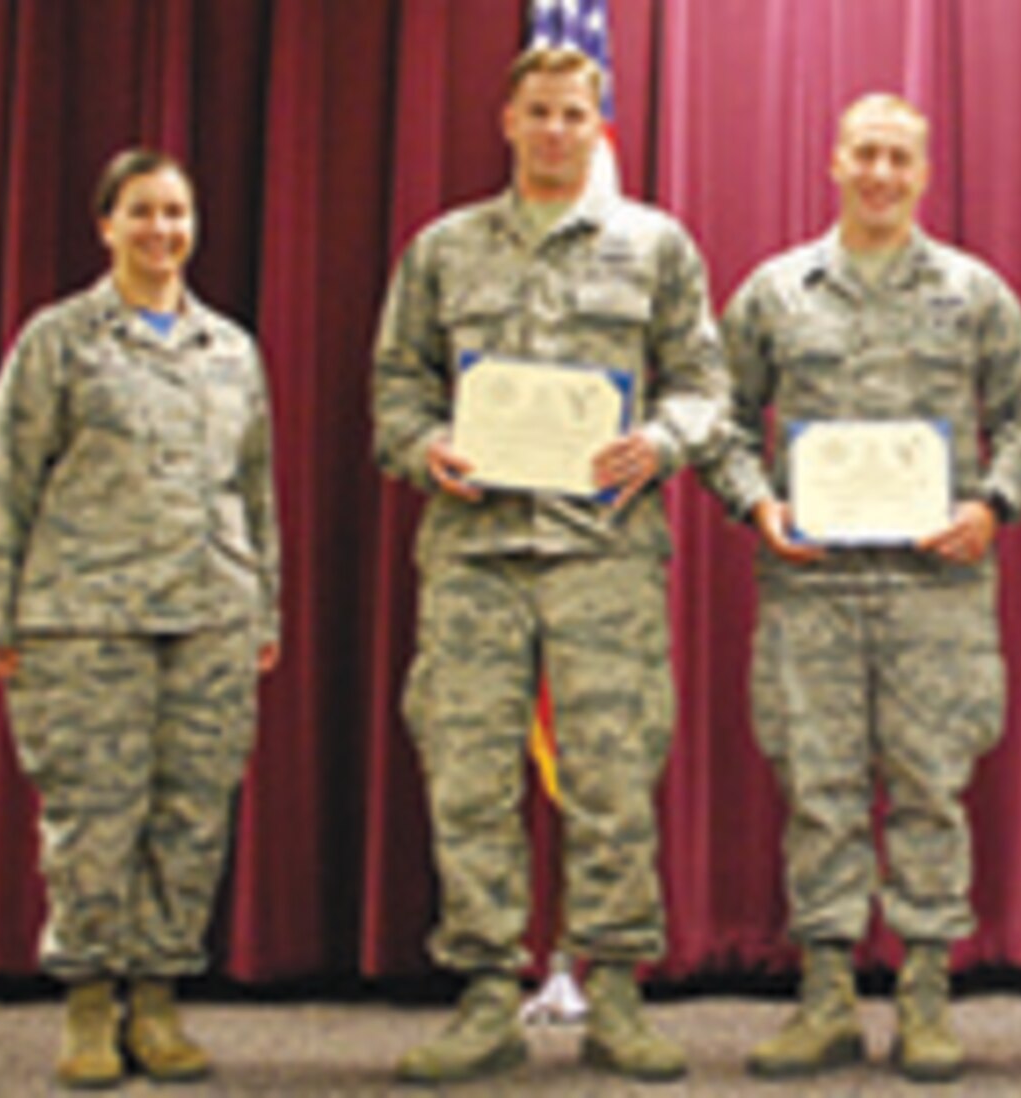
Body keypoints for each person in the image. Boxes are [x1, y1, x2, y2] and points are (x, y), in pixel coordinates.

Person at [371, 45, 728, 1084]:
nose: (556, 130)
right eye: (539, 112)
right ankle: (485, 993)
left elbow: (703, 385)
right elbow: (396, 384)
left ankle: (612, 992)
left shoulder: (654, 246)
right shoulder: (442, 250)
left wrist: (658, 443)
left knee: (613, 778)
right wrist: (421, 446)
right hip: (474, 556)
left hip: (603, 557)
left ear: (598, 121)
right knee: (469, 779)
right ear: (507, 119)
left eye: (575, 113)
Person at [700, 93, 1021, 1082]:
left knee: (932, 793)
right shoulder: (774, 292)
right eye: (865, 154)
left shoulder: (975, 293)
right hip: (810, 585)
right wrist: (755, 503)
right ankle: (826, 1000)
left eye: (900, 157)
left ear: (924, 172)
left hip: (934, 589)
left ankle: (926, 1001)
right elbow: (720, 421)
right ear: (833, 162)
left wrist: (993, 504)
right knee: (819, 792)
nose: (882, 173)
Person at [0, 148, 281, 1089]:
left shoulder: (230, 349)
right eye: (141, 212)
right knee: (94, 819)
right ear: (107, 225)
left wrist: (264, 604)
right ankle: (90, 1003)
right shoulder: (60, 341)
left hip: (210, 614)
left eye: (176, 213)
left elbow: (255, 492)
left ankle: (157, 999)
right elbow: (6, 481)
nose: (161, 231)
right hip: (83, 617)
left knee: (191, 817)